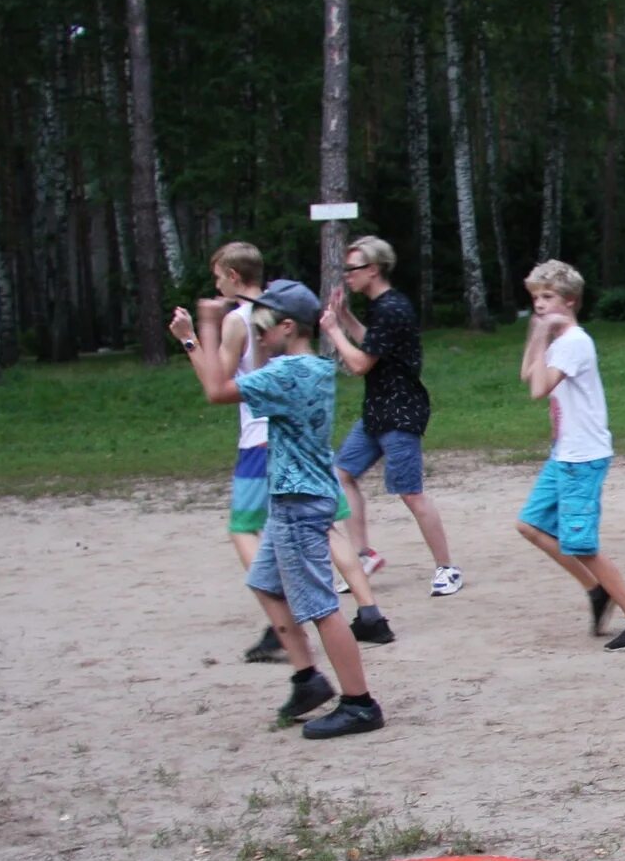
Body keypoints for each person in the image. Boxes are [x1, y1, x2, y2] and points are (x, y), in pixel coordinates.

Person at [180, 280, 384, 738]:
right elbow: (228, 380)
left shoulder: (286, 374)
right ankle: (308, 678)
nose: (256, 332)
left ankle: (360, 704)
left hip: (298, 503)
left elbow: (216, 389)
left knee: (321, 607)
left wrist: (206, 326)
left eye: (262, 325)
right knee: (267, 584)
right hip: (292, 499)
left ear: (287, 326)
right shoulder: (308, 366)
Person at [515, 259, 625, 652]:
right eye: (536, 298)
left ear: (571, 301)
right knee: (530, 525)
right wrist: (536, 334)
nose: (541, 305)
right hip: (564, 453)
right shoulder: (557, 341)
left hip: (583, 457)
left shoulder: (575, 342)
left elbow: (538, 389)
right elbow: (529, 374)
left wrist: (542, 338)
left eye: (549, 298)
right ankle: (597, 590)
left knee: (581, 544)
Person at [319, 235, 462, 597]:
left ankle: (447, 568)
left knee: (410, 493)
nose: (346, 276)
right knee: (342, 474)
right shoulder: (382, 306)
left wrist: (334, 331)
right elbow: (375, 343)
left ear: (373, 269)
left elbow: (359, 363)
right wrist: (348, 318)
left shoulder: (391, 307)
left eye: (351, 269)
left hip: (400, 411)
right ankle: (364, 554)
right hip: (378, 411)